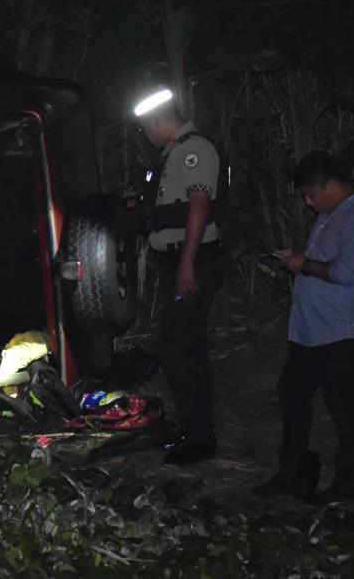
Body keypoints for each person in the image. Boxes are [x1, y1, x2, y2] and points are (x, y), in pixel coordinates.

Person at [254, 151, 354, 501]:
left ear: (332, 185)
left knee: (345, 407)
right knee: (293, 394)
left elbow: (346, 272)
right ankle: (292, 473)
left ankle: (346, 486)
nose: (308, 202)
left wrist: (303, 265)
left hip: (343, 332)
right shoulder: (333, 215)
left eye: (311, 194)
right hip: (311, 332)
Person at [133, 87, 227, 465]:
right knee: (182, 347)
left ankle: (201, 438)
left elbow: (199, 208)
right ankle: (193, 429)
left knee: (178, 348)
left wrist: (187, 262)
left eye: (146, 128)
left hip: (196, 261)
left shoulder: (194, 151)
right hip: (180, 262)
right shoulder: (173, 154)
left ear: (157, 122)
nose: (146, 135)